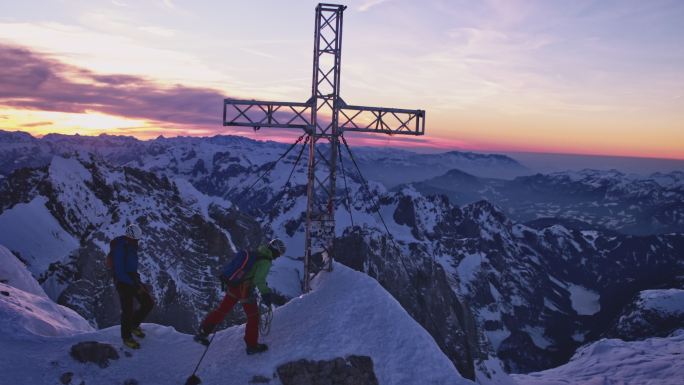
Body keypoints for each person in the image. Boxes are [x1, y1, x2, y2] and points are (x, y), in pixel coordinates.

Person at [194, 238, 286, 355]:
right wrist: (266, 293)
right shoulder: (266, 261)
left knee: (222, 310)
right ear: (276, 251)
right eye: (279, 254)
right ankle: (252, 345)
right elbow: (259, 279)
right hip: (245, 290)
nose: (278, 256)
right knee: (253, 317)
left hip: (234, 285)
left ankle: (203, 332)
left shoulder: (257, 253)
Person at [110, 224, 155, 349]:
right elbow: (119, 271)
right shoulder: (120, 247)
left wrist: (137, 281)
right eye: (136, 239)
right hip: (122, 282)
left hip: (132, 280)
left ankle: (134, 325)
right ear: (130, 237)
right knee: (127, 309)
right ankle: (127, 337)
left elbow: (132, 267)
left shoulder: (131, 246)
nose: (137, 242)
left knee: (148, 303)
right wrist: (135, 284)